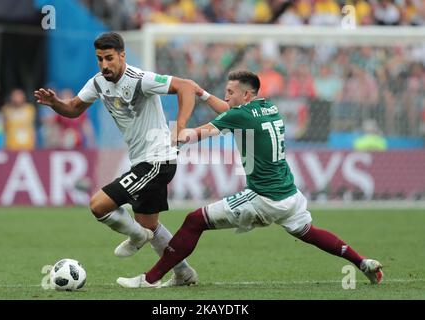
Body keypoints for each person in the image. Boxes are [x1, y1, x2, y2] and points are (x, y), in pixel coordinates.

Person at [116, 70, 383, 288]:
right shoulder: (267, 107)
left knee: (194, 221)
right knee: (310, 233)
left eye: (230, 92)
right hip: (289, 195)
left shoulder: (240, 115)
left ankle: (150, 280)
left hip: (263, 198)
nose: (226, 95)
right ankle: (363, 263)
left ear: (245, 94)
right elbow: (230, 112)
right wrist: (204, 94)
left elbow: (194, 134)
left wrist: (169, 138)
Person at [34, 32, 205, 287]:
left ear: (122, 56)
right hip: (144, 161)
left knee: (99, 205)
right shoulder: (98, 83)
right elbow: (73, 108)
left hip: (157, 159)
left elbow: (186, 86)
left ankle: (137, 238)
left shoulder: (139, 79)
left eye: (109, 58)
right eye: (100, 59)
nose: (104, 65)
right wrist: (55, 103)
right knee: (151, 225)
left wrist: (180, 126)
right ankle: (183, 273)